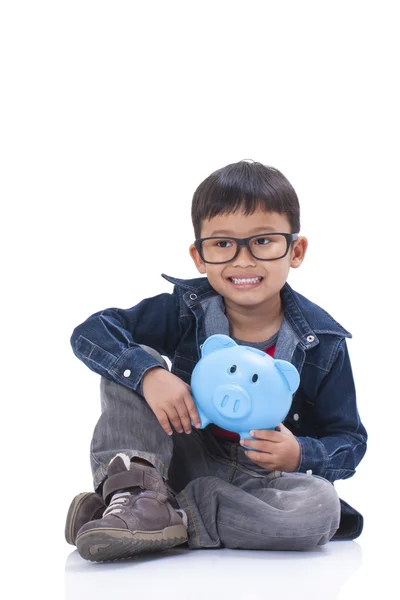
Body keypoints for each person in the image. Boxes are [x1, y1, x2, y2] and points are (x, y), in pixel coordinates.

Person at [64, 160, 367, 562]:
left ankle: (161, 518)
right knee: (131, 362)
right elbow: (93, 330)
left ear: (296, 250)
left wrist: (300, 454)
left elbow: (350, 441)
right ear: (199, 256)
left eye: (263, 241)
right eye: (223, 244)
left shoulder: (322, 343)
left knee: (319, 511)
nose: (243, 260)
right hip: (176, 456)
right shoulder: (185, 311)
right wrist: (150, 374)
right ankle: (135, 494)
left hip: (259, 483)